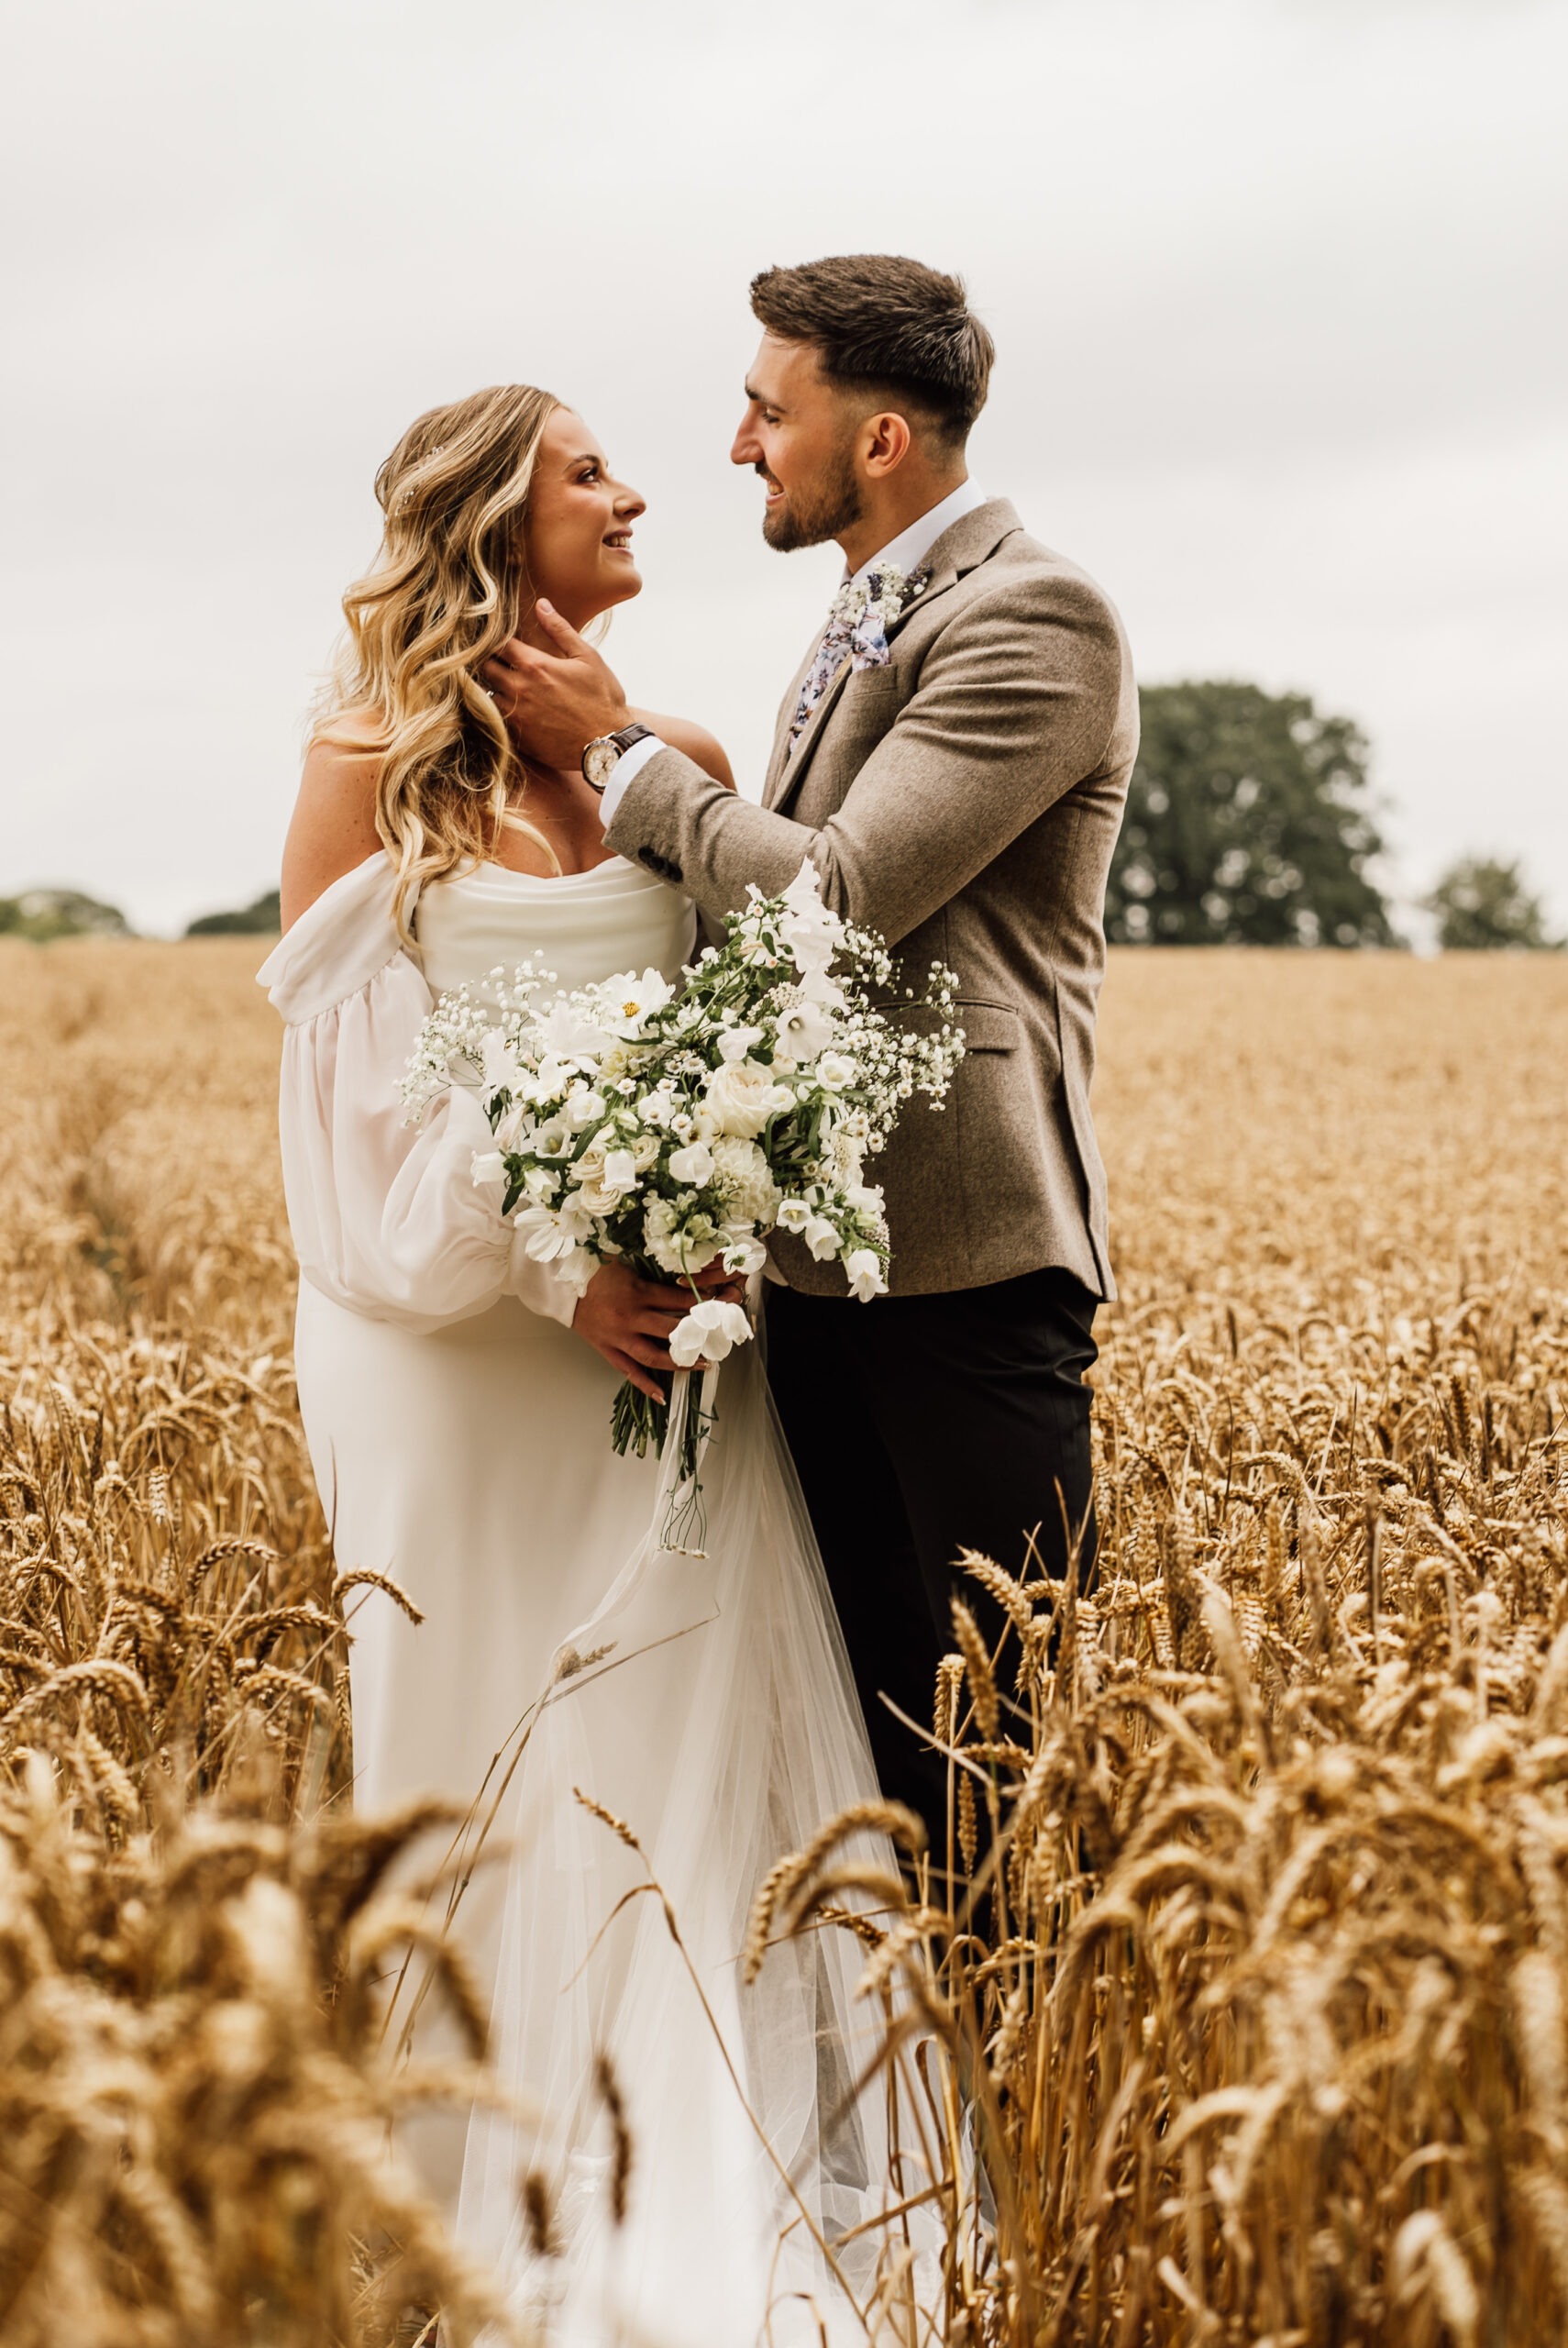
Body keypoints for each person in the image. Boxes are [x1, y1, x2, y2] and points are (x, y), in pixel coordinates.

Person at [260, 385, 920, 2343]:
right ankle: (472, 2184)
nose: (637, 490)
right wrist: (565, 1279)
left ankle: (691, 2168)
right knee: (477, 1731)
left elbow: (777, 1035)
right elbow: (350, 1101)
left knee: (678, 1726)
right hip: (444, 1343)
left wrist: (723, 1211)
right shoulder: (365, 767)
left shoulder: (682, 760)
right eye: (586, 471)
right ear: (488, 519)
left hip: (674, 1339)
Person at [482, 253, 1139, 1854]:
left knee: (1005, 1750)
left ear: (881, 440)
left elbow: (838, 897)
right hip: (823, 1268)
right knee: (885, 1759)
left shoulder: (1030, 614)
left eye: (767, 412)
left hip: (967, 1256)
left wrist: (616, 755)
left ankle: (1028, 2090)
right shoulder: (867, 608)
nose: (736, 447)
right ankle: (920, 2093)